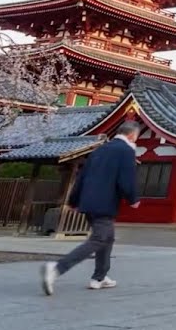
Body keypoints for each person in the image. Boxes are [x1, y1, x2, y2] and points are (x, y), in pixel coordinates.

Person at [41, 120, 142, 295]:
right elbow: (127, 178)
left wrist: (73, 200)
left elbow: (82, 176)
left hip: (88, 201)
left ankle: (99, 277)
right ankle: (57, 268)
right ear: (132, 135)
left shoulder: (98, 150)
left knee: (107, 238)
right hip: (105, 202)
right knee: (99, 239)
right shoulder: (126, 151)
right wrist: (133, 198)